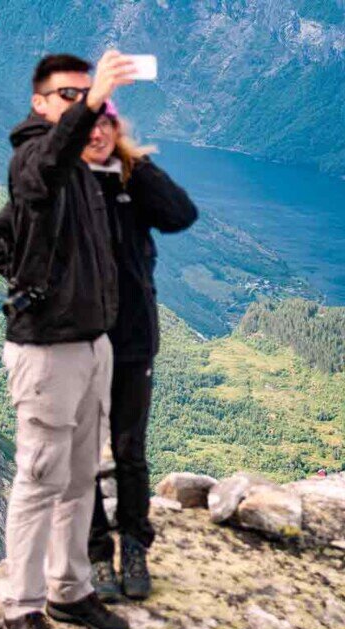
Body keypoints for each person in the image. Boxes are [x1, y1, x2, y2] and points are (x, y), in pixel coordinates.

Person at [0, 51, 136, 629]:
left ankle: (71, 589)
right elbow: (40, 170)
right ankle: (22, 606)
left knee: (79, 479)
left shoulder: (77, 173)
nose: (79, 103)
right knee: (39, 479)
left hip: (92, 345)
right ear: (40, 104)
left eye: (85, 93)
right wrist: (36, 303)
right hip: (48, 354)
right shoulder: (35, 160)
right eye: (66, 94)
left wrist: (32, 278)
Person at [80, 101, 197, 602]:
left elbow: (181, 214)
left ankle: (134, 547)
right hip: (78, 341)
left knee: (129, 451)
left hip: (130, 341)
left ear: (116, 128)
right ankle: (95, 555)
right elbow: (4, 235)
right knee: (82, 454)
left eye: (104, 125)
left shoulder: (132, 181)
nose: (96, 135)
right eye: (85, 127)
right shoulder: (64, 185)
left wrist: (135, 164)